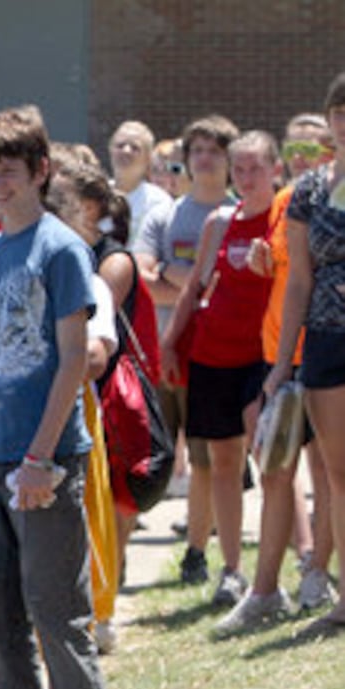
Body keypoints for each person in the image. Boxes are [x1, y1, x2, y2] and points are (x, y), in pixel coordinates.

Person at [0, 107, 124, 689]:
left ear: (40, 173)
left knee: (57, 610)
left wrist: (40, 458)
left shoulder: (60, 249)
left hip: (44, 454)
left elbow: (72, 360)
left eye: (10, 174)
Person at [216, 113, 338, 635]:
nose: (305, 160)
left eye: (315, 150)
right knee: (275, 468)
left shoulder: (328, 199)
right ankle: (266, 588)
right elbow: (287, 277)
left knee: (331, 471)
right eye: (297, 150)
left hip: (327, 349)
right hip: (282, 353)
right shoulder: (293, 201)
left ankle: (317, 573)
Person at [162, 130, 279, 610]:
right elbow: (193, 289)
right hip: (212, 355)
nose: (247, 178)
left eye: (257, 168)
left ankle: (295, 562)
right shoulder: (219, 221)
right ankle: (232, 568)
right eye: (241, 168)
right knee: (223, 461)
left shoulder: (284, 219)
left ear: (275, 169)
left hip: (262, 355)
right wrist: (170, 344)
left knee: (270, 454)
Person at [46, 151, 144, 653]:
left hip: (75, 407)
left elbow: (95, 354)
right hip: (18, 410)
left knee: (86, 506)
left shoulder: (95, 270)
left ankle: (96, 608)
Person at [137, 115, 240, 587]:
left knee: (203, 461)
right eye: (196, 150)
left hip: (213, 356)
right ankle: (116, 560)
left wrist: (176, 276)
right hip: (159, 353)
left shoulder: (238, 214)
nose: (203, 159)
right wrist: (198, 280)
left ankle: (196, 552)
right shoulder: (165, 214)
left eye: (214, 151)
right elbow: (142, 274)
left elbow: (233, 290)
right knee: (144, 457)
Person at [264, 71, 345, 638]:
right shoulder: (310, 191)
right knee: (339, 474)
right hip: (324, 339)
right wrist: (281, 363)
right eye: (340, 113)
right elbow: (297, 281)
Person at [107, 120, 172, 252]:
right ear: (110, 150)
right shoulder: (96, 194)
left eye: (135, 148)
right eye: (120, 145)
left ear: (148, 158)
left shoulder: (158, 202)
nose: (126, 151)